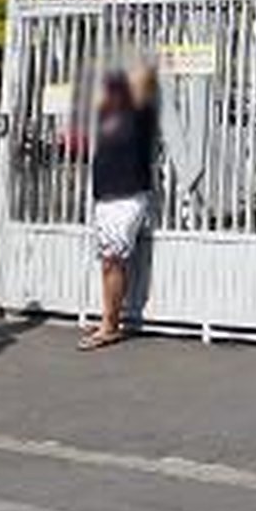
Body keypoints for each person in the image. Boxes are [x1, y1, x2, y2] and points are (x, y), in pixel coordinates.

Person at [76, 68, 157, 350]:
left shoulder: (141, 111)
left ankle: (110, 327)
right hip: (106, 194)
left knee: (113, 258)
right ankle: (107, 318)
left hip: (129, 194)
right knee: (108, 260)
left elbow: (145, 77)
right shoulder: (105, 116)